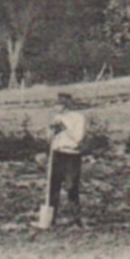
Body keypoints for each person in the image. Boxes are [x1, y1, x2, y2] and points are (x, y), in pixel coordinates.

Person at [44, 92, 87, 226]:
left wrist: (64, 126)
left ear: (65, 105)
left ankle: (76, 219)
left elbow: (78, 138)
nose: (55, 107)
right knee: (52, 187)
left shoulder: (78, 118)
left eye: (57, 104)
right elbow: (49, 140)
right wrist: (52, 129)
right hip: (57, 154)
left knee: (71, 186)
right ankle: (50, 219)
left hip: (71, 155)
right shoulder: (56, 118)